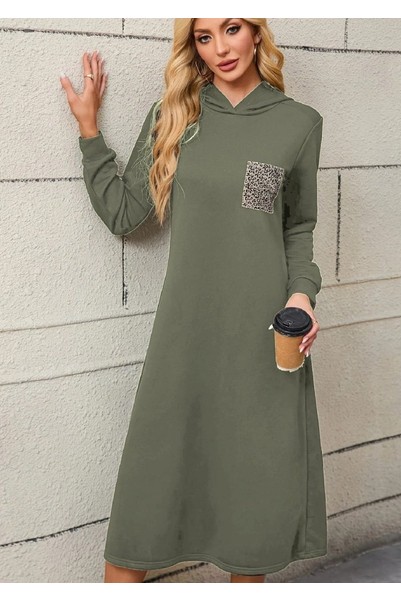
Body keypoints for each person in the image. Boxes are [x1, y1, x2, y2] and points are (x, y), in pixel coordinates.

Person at [60, 18, 327, 584]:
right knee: (136, 529)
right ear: (194, 47)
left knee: (248, 526)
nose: (221, 48)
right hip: (184, 343)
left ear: (256, 33)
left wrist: (303, 295)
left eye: (231, 29)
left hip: (262, 346)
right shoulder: (175, 115)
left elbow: (298, 226)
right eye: (204, 37)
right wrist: (89, 132)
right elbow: (125, 214)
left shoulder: (299, 124)